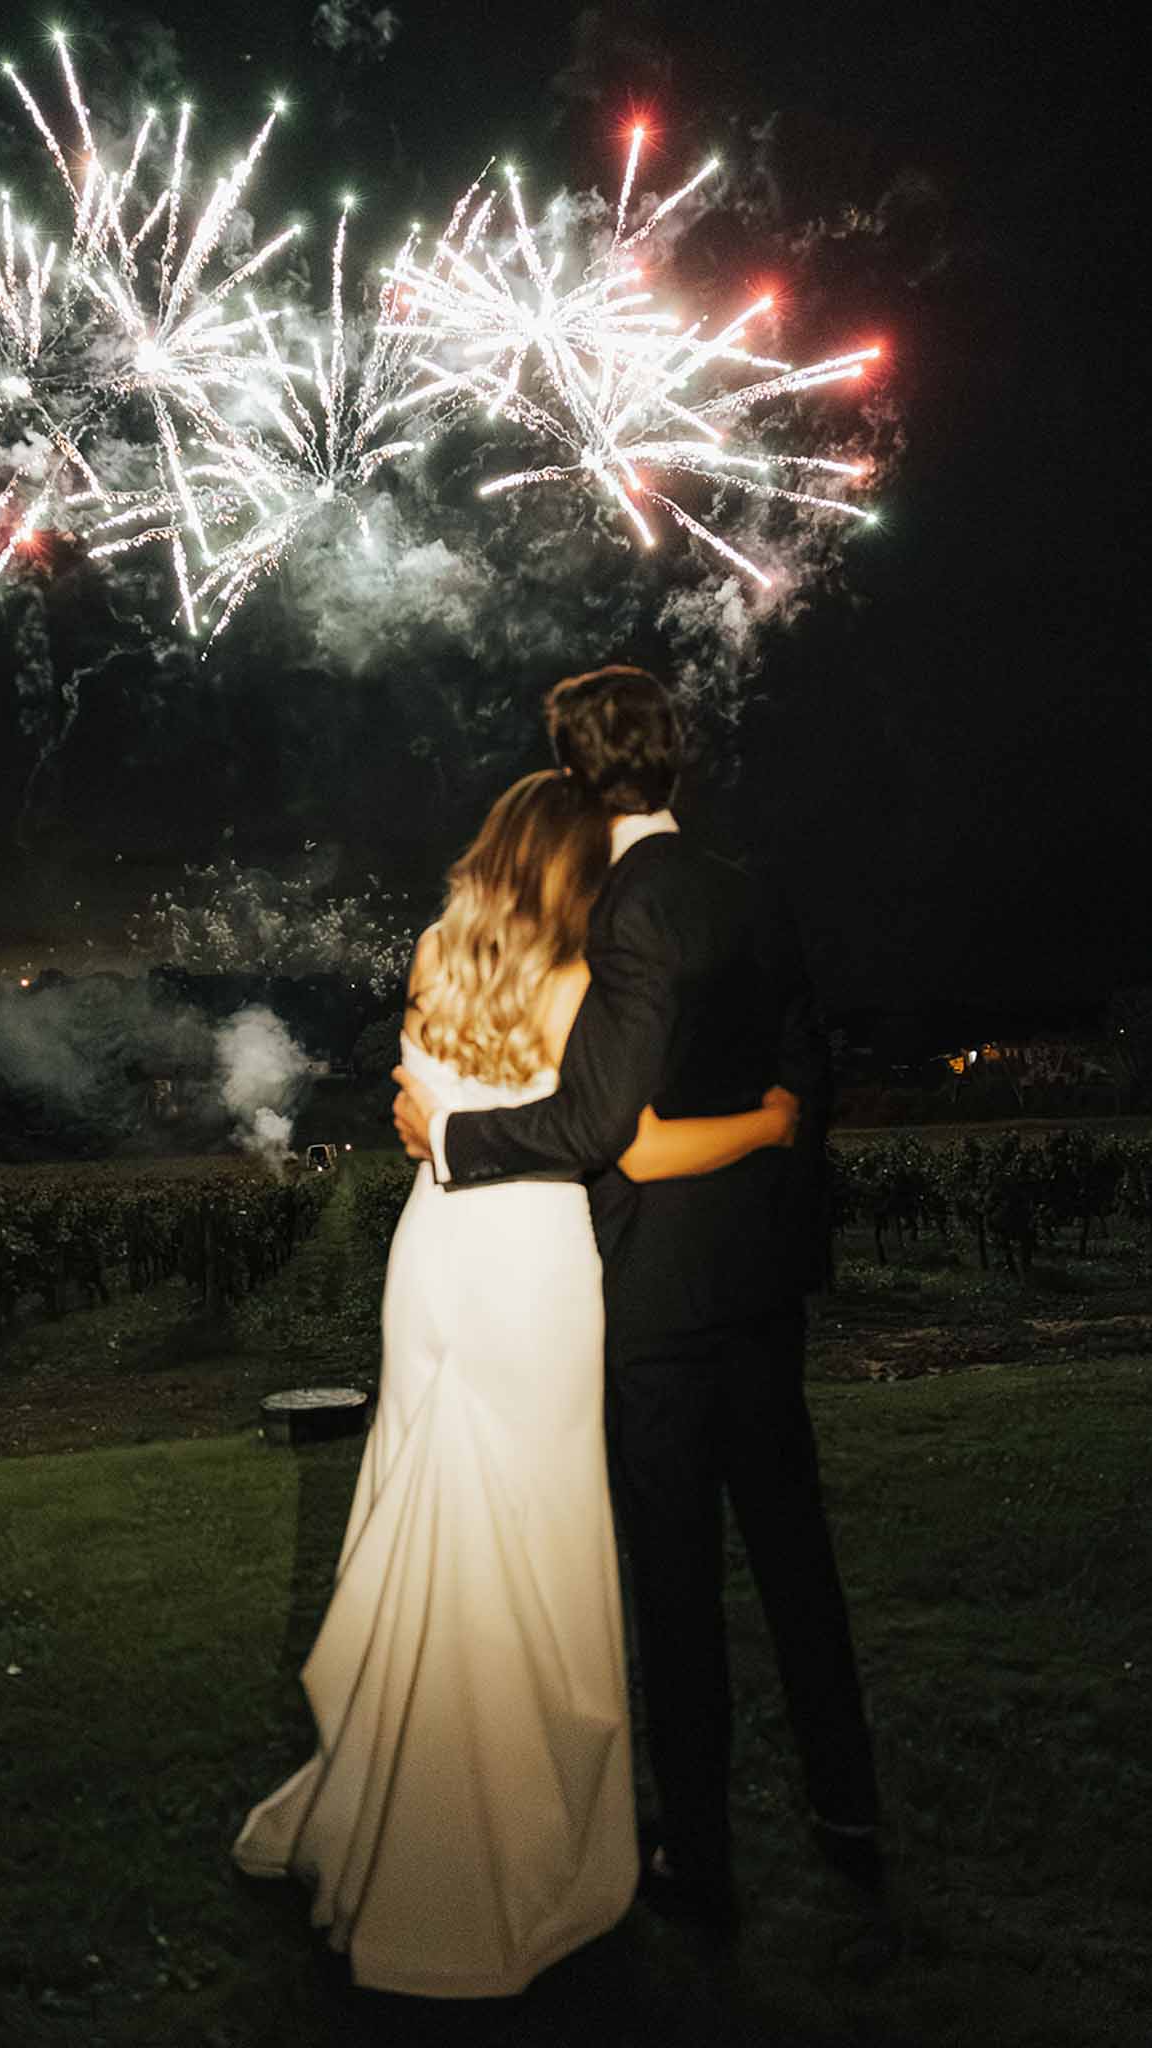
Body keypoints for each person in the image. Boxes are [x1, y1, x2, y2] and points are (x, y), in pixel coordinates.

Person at [233, 768, 799, 1999]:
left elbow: (417, 1101)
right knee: (529, 1537)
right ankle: (502, 1849)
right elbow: (633, 1144)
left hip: (435, 1254)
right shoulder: (578, 982)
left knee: (433, 1505)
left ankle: (401, 1806)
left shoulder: (437, 947)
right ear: (572, 867)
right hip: (533, 1263)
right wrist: (765, 1123)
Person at [393, 666, 882, 1943]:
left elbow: (602, 1124)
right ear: (677, 761)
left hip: (657, 1295)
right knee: (795, 1553)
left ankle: (702, 1863)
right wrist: (781, 1141)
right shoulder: (748, 885)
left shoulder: (618, 908)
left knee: (675, 1583)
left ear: (569, 769)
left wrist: (447, 1139)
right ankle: (851, 1815)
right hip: (762, 1283)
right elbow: (805, 1067)